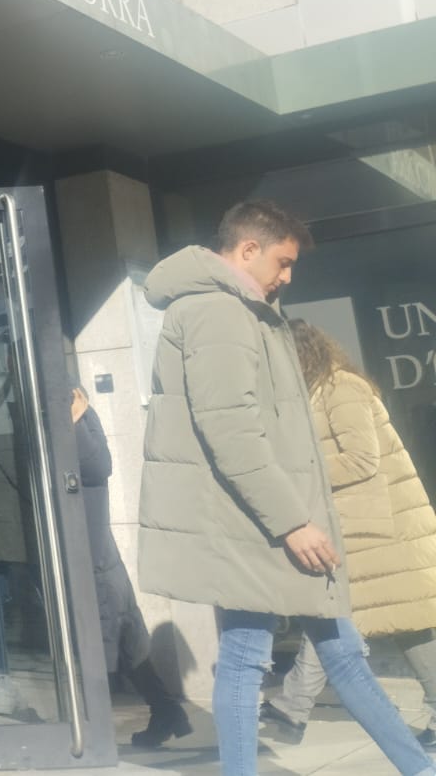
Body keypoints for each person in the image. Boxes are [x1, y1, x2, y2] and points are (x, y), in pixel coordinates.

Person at [138, 199, 436, 776]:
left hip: (273, 519)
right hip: (257, 526)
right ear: (248, 249)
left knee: (341, 652)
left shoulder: (241, 309)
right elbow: (231, 429)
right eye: (283, 261)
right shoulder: (218, 311)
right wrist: (292, 521)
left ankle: (419, 768)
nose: (288, 276)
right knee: (248, 656)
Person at [262, 321, 436, 750]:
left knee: (362, 618)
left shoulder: (341, 388)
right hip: (367, 529)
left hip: (382, 531)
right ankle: (292, 706)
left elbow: (361, 459)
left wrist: (298, 473)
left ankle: (292, 706)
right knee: (393, 622)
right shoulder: (316, 392)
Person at [68, 387, 189, 748]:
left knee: (107, 640)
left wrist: (73, 420)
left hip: (91, 554)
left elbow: (97, 465)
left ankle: (95, 732)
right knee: (124, 636)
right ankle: (166, 711)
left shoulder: (74, 408)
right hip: (90, 550)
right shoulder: (66, 409)